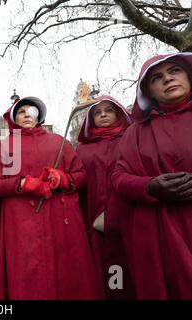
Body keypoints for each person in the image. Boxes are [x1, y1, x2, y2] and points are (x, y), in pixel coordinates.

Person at [0, 96, 103, 299]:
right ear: (14, 117)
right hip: (21, 224)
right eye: (21, 111)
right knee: (28, 275)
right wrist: (22, 183)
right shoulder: (3, 147)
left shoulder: (59, 143)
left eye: (31, 110)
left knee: (66, 272)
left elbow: (81, 175)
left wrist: (63, 179)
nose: (26, 114)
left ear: (38, 116)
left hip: (60, 219)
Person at [112, 52, 192, 299]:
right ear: (148, 91)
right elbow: (119, 178)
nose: (168, 79)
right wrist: (150, 186)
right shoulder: (135, 133)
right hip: (160, 235)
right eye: (157, 77)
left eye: (174, 71)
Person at [76, 95, 133, 298]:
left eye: (108, 110)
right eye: (98, 113)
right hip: (92, 211)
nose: (103, 115)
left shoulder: (131, 139)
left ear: (117, 113)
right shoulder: (82, 148)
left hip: (127, 213)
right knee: (100, 263)